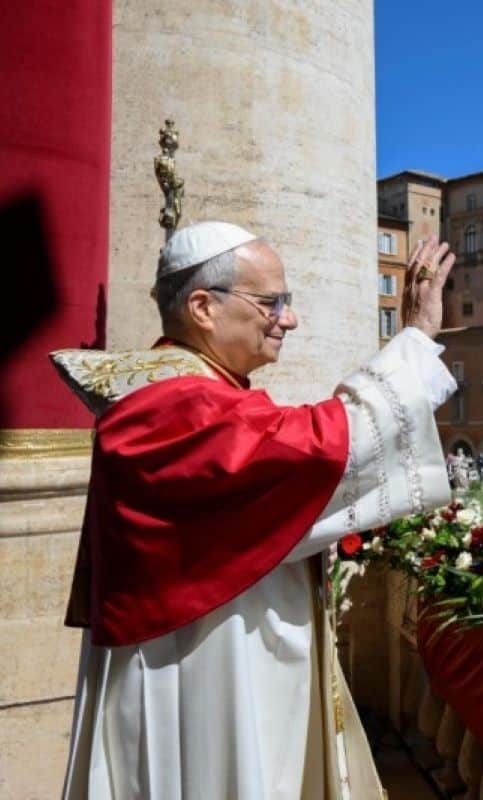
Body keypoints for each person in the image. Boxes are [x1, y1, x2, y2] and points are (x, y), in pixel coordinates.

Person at [57, 224, 457, 798]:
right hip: (200, 671)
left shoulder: (199, 392)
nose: (288, 320)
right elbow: (316, 449)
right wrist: (414, 338)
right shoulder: (169, 406)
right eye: (272, 303)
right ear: (203, 307)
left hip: (222, 652)